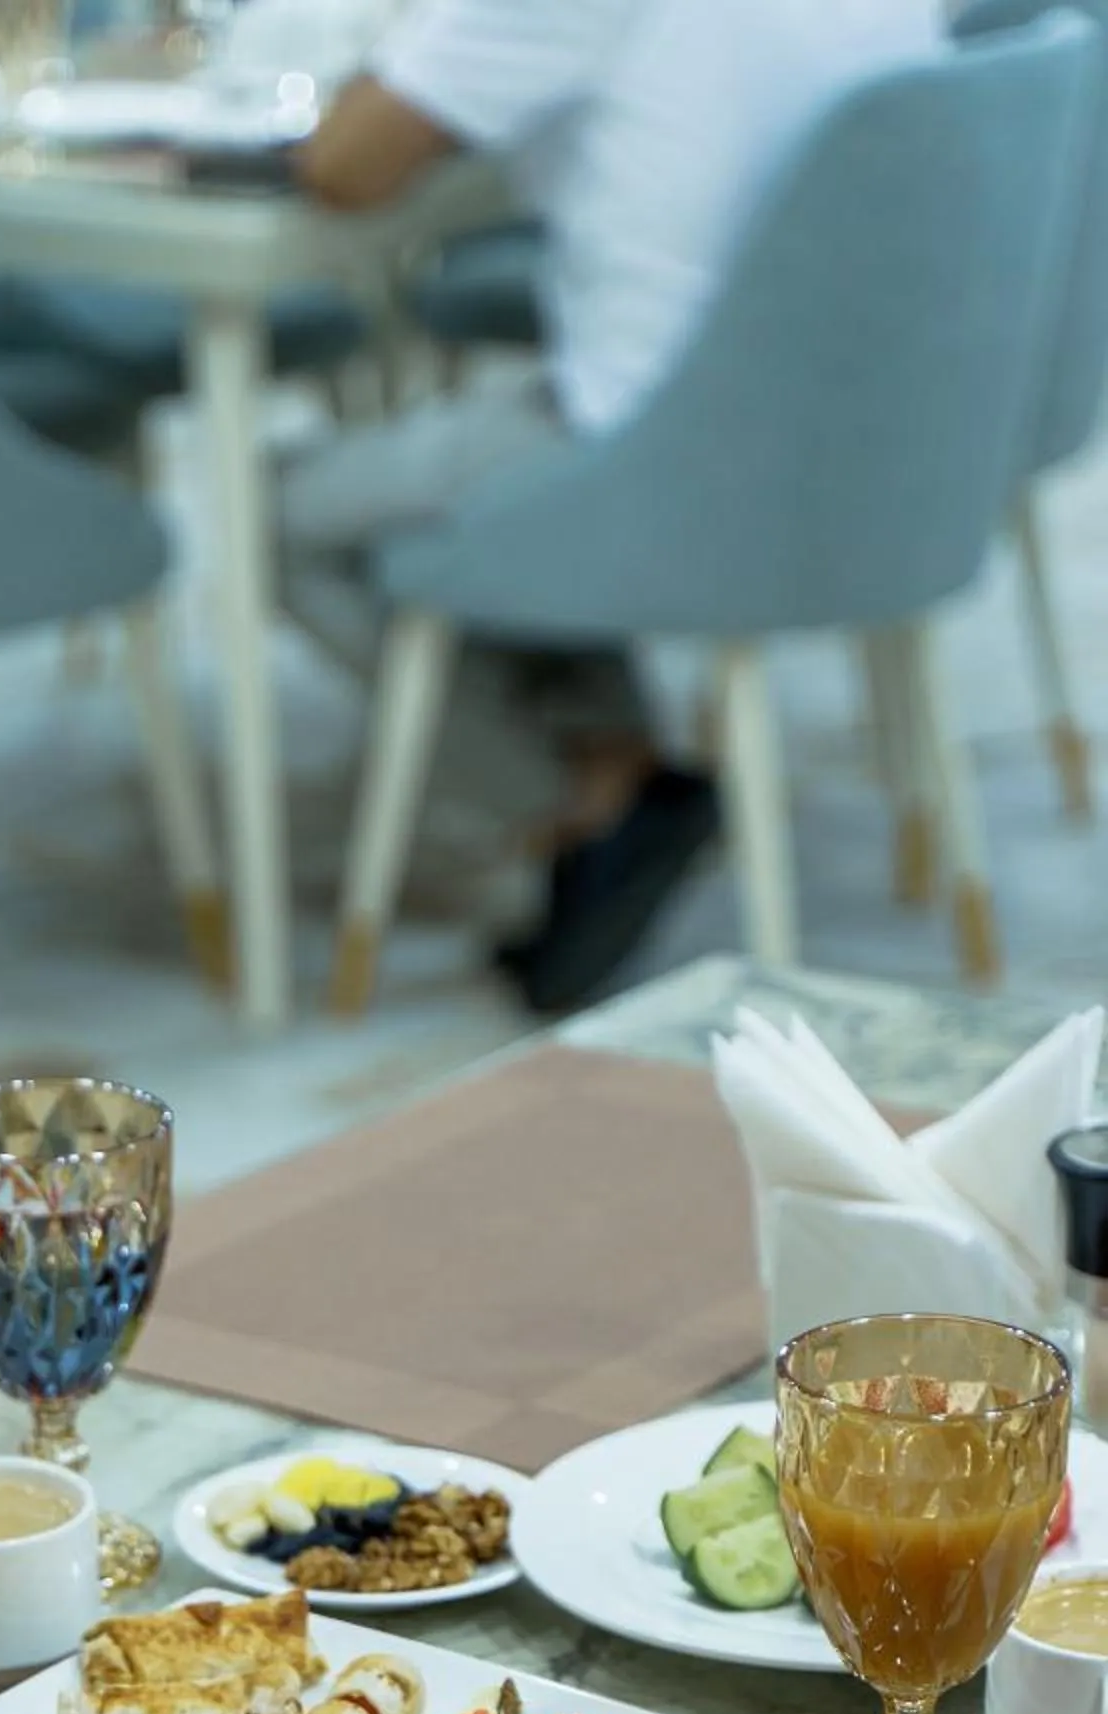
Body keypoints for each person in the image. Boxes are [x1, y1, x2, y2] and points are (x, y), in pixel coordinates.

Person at [285, 0, 944, 1012]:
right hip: (892, 441)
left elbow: (343, 167)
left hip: (676, 447)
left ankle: (590, 801)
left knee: (290, 519)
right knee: (479, 481)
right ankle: (611, 753)